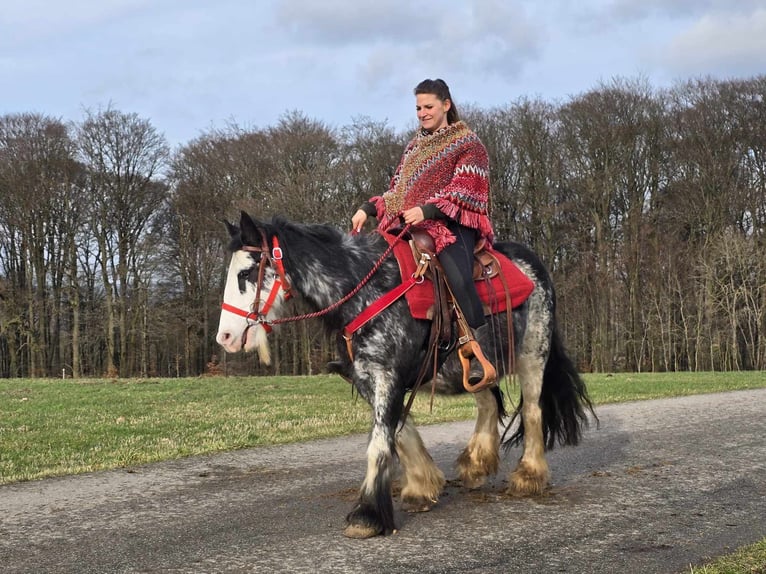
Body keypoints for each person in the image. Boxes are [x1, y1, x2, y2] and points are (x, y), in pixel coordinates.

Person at [351, 78, 496, 386]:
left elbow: (466, 192)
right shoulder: (414, 146)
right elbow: (397, 192)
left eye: (428, 106)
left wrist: (427, 211)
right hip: (411, 225)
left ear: (446, 105)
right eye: (418, 107)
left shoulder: (470, 145)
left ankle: (479, 350)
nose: (422, 113)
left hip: (453, 225)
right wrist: (369, 208)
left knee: (457, 276)